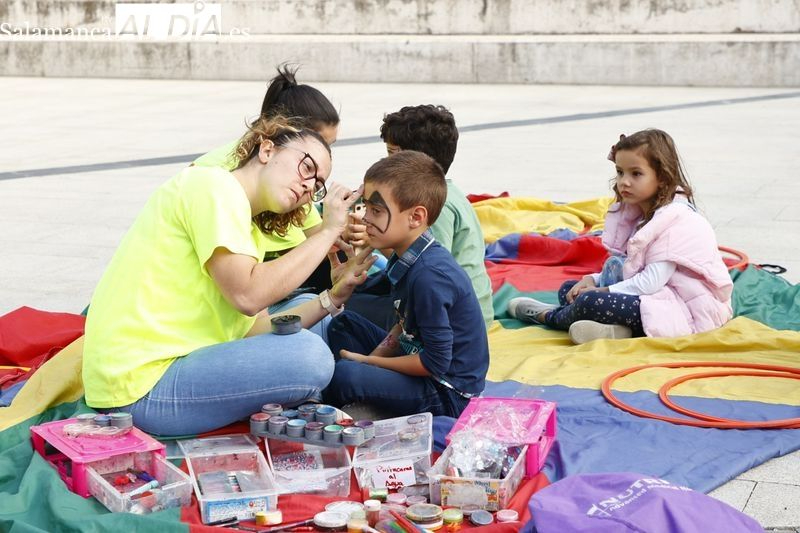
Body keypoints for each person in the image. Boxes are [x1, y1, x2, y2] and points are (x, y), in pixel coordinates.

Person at [82, 115, 375, 436]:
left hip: (173, 364)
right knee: (312, 355)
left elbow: (255, 329)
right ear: (266, 150)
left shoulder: (243, 217)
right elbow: (248, 296)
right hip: (139, 387)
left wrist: (332, 298)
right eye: (306, 167)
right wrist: (328, 230)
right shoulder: (214, 188)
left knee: (311, 311)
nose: (308, 186)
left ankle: (302, 400)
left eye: (316, 185)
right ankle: (305, 403)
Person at [508, 129, 733, 344]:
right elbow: (631, 267)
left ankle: (549, 316)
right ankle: (619, 331)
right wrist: (592, 280)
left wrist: (602, 290)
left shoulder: (675, 221)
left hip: (683, 308)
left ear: (663, 177)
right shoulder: (642, 213)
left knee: (589, 300)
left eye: (636, 174)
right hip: (655, 299)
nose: (624, 181)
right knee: (570, 289)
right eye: (620, 172)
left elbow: (651, 282)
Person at [323, 151, 490, 418]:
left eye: (376, 211)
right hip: (423, 363)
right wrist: (376, 363)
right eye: (366, 207)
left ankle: (365, 401)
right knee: (345, 323)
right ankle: (370, 398)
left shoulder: (429, 276)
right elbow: (404, 324)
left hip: (447, 392)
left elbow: (436, 363)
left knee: (346, 374)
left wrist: (369, 363)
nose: (366, 218)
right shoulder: (409, 255)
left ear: (416, 217)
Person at [345, 105, 494, 329]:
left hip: (453, 316)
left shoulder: (439, 207)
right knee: (354, 291)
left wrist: (371, 238)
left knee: (345, 308)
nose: (386, 163)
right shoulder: (443, 192)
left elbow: (428, 268)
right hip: (443, 302)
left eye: (392, 154)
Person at [194, 65, 340, 291]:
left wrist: (347, 227)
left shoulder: (293, 176)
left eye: (329, 147)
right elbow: (247, 296)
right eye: (319, 143)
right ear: (270, 147)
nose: (325, 153)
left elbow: (316, 235)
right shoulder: (215, 183)